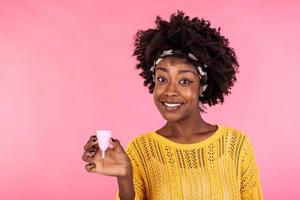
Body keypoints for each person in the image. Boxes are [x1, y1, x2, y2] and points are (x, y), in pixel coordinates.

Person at [81, 11, 263, 200]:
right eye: (162, 78)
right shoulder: (141, 150)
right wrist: (125, 178)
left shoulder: (236, 146)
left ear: (203, 87)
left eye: (184, 81)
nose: (169, 91)